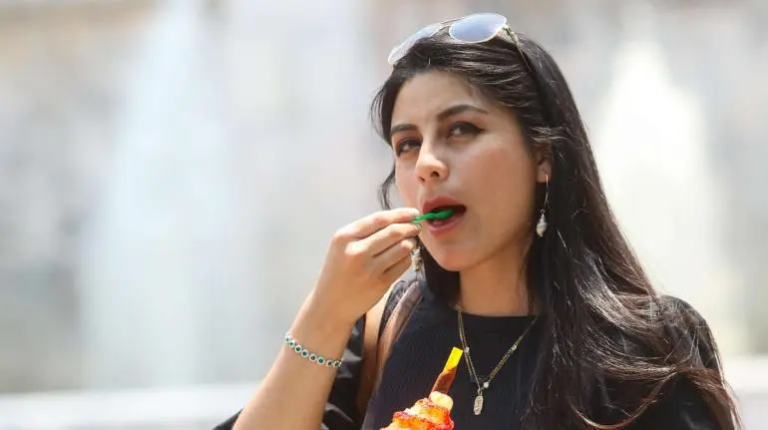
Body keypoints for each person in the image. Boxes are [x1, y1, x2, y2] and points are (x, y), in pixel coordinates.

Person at [217, 13, 741, 430]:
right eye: (407, 144)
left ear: (543, 155)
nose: (427, 164)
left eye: (461, 129)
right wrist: (323, 315)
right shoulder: (382, 327)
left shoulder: (649, 348)